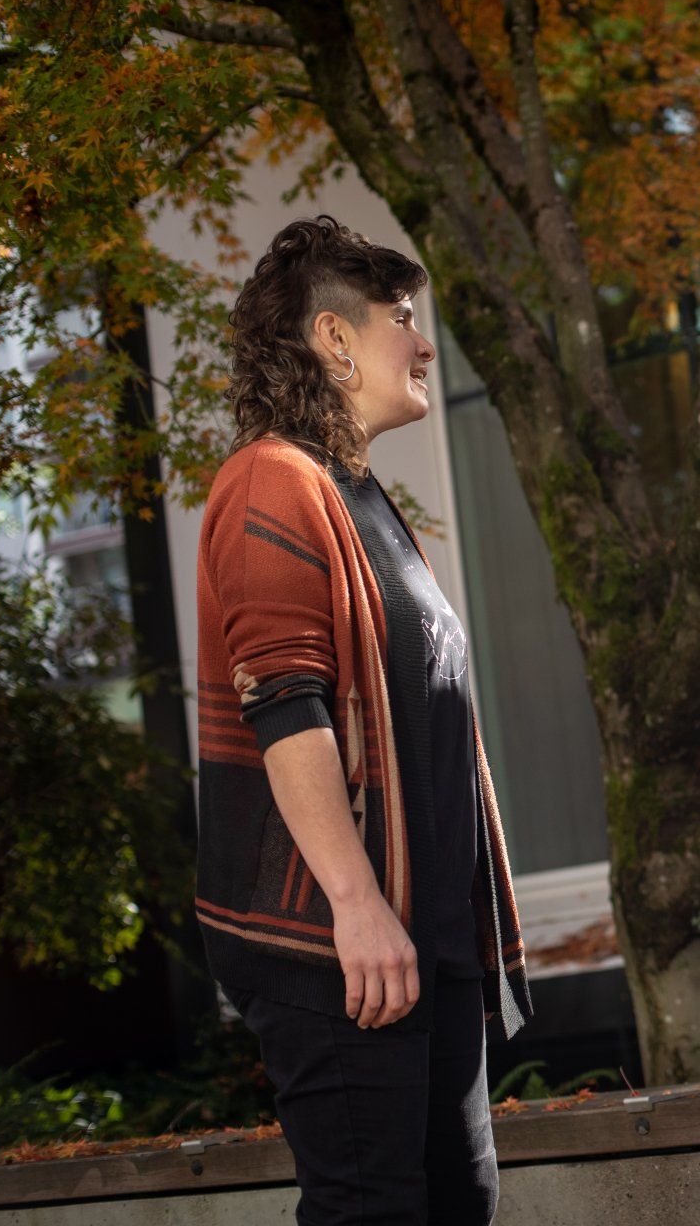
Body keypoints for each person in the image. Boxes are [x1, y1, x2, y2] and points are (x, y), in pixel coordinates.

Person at [195, 216, 531, 1224]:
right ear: (335, 339)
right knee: (371, 1209)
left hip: (422, 939)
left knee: (457, 1200)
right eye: (402, 319)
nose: (424, 344)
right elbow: (284, 705)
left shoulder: (359, 496)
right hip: (337, 943)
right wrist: (355, 904)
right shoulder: (272, 479)